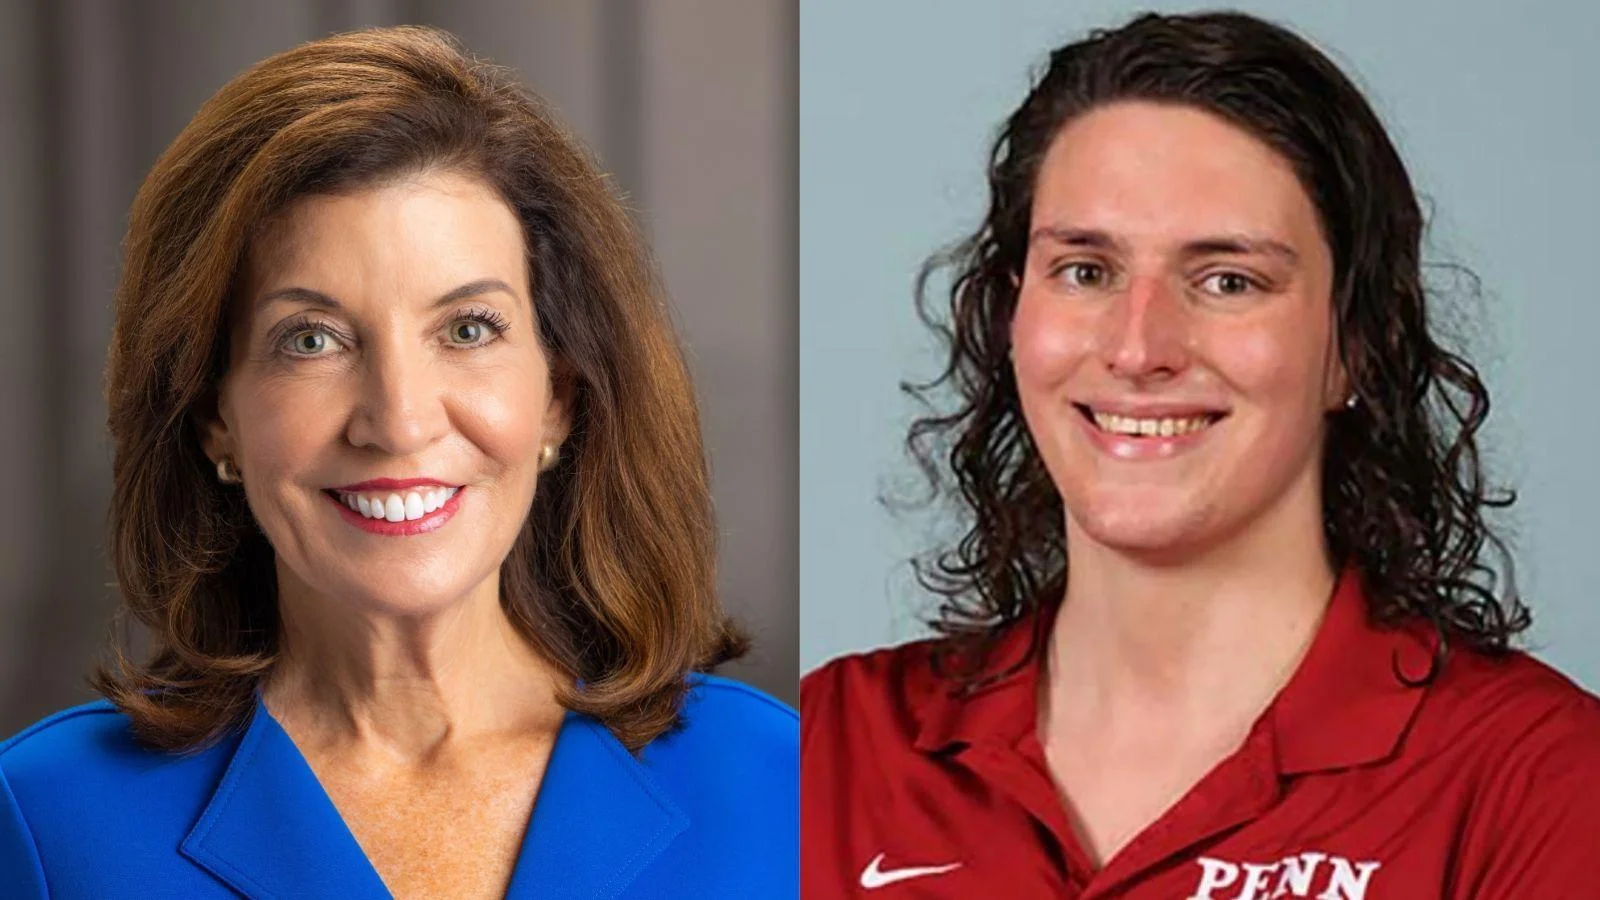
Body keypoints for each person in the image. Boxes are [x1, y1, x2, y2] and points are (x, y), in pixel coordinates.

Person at [801, 11, 1600, 899]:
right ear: (1010, 315)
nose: (1140, 348)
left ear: (1356, 346)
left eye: (1227, 281)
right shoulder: (826, 751)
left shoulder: (1538, 783)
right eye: (1086, 271)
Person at [0, 25, 796, 899]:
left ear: (558, 398)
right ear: (213, 416)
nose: (401, 420)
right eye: (311, 339)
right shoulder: (43, 821)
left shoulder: (782, 785)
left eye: (467, 330)